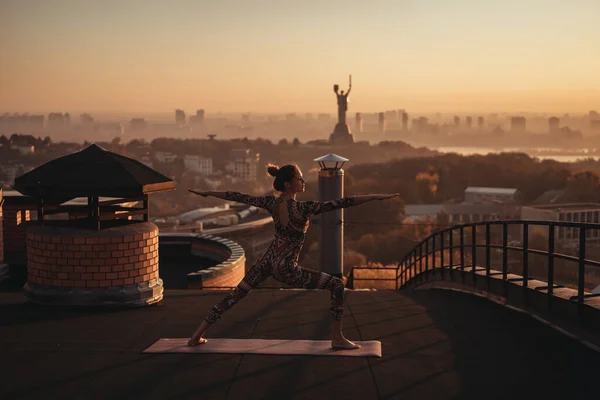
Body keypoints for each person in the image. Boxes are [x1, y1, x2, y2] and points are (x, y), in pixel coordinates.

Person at [187, 163, 399, 349]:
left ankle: (197, 335)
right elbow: (344, 202)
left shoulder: (271, 203)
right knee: (336, 285)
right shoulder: (304, 208)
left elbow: (237, 196)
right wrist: (375, 197)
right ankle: (337, 337)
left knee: (236, 295)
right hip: (286, 267)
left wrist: (208, 193)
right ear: (288, 184)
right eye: (299, 178)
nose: (303, 181)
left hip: (267, 261)